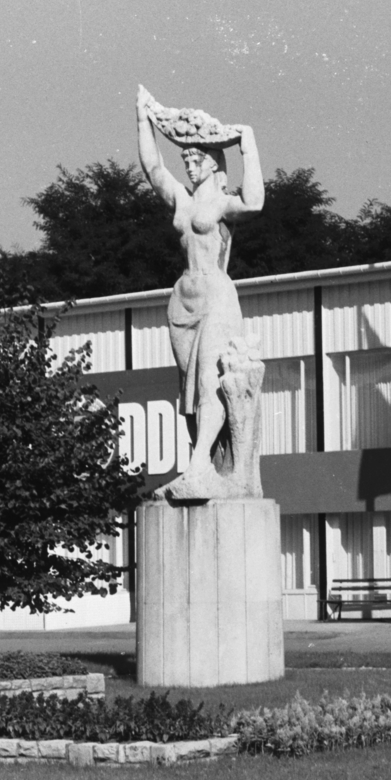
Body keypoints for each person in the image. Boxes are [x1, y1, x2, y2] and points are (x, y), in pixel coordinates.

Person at [136, 86, 264, 500]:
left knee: (210, 383)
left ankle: (196, 468)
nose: (189, 166)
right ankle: (202, 465)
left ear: (214, 163)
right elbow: (153, 167)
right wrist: (143, 120)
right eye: (186, 160)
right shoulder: (182, 201)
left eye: (196, 159)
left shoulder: (223, 204)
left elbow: (256, 202)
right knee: (188, 393)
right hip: (183, 303)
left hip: (217, 300)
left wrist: (249, 145)